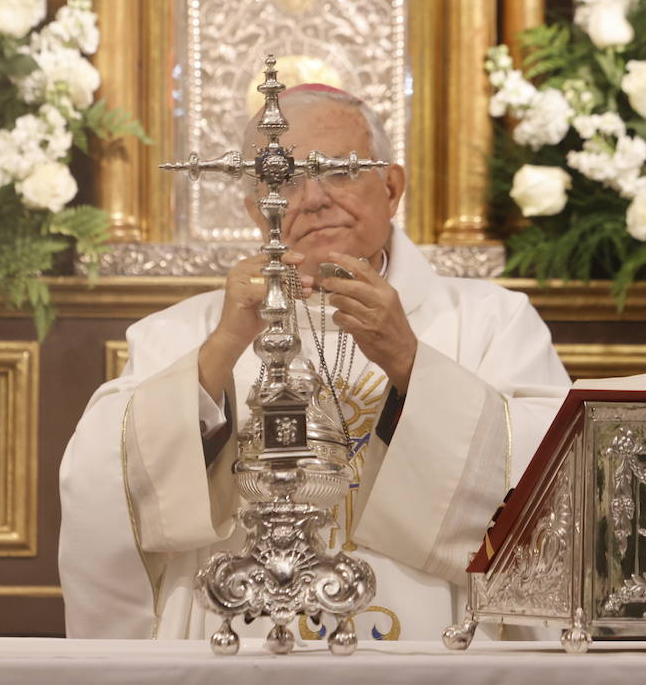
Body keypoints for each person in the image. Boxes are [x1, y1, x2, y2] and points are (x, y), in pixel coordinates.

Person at [58, 84, 570, 642]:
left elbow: (555, 481)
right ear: (256, 209)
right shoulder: (182, 334)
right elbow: (99, 481)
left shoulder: (493, 321)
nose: (314, 197)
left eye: (339, 170)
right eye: (284, 181)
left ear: (392, 187)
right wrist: (220, 354)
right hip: (238, 639)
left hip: (427, 649)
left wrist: (410, 366)